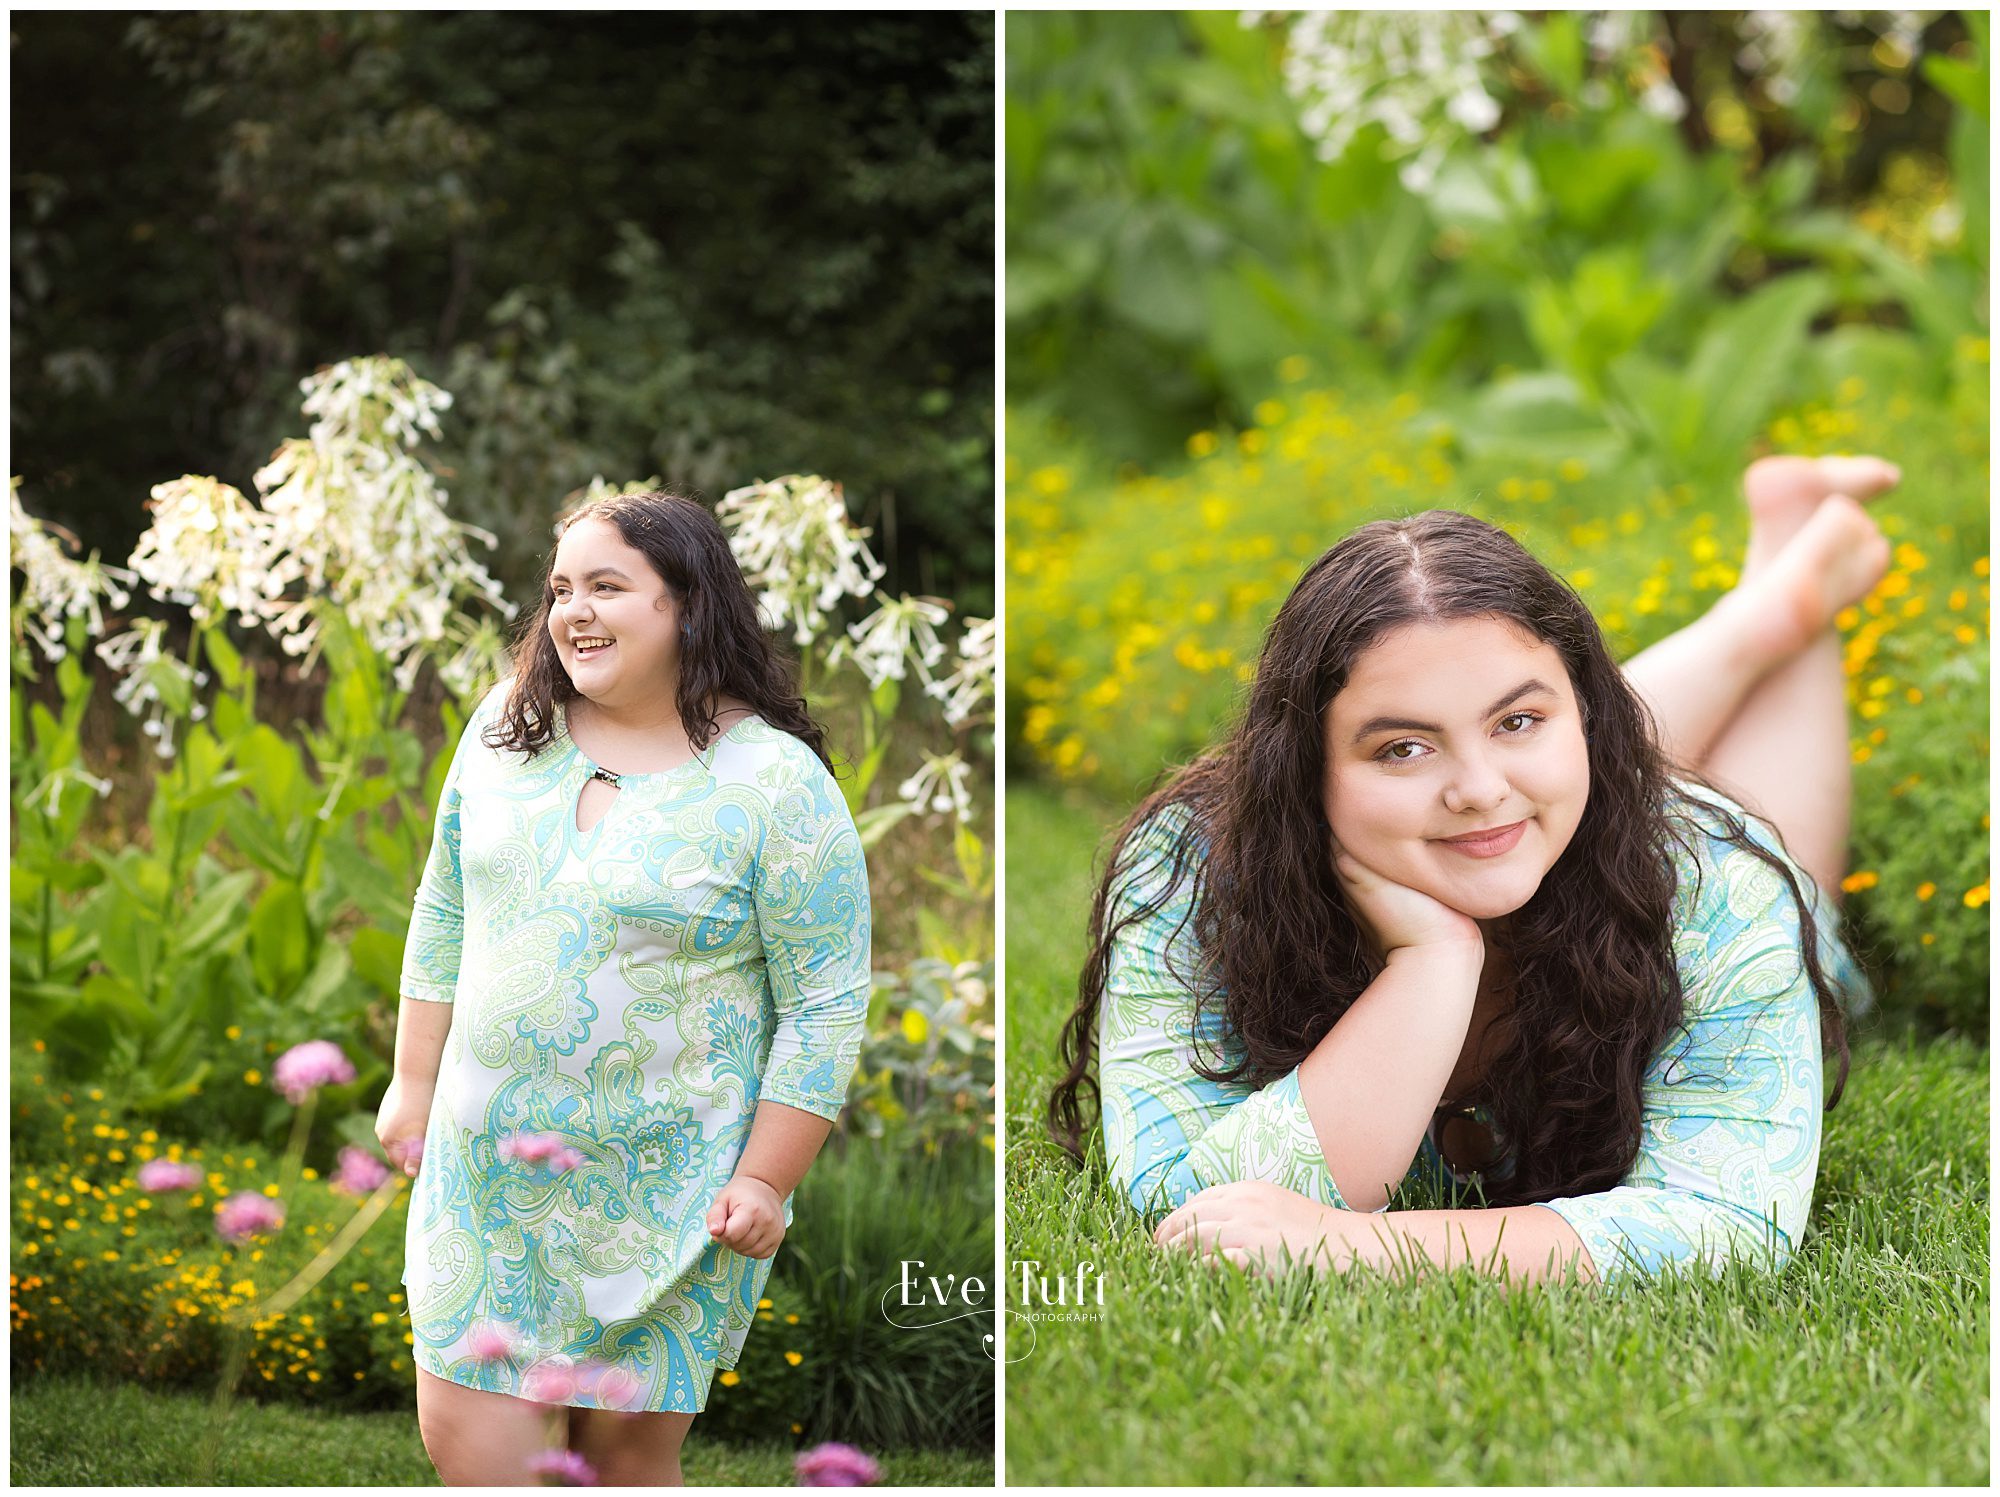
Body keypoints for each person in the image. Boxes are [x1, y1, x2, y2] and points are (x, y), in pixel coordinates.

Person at [1047, 455, 1901, 1287]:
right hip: (1567, 802)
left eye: (1521, 720)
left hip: (1668, 840)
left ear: (1590, 718)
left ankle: (1784, 606)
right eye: (1402, 746)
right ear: (1304, 769)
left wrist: (1353, 1248)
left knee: (1791, 887)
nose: (1478, 788)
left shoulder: (1718, 882)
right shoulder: (1195, 864)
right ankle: (1775, 590)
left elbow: (1728, 1222)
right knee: (1510, 798)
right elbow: (1183, 1201)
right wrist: (1430, 966)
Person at [376, 489, 871, 1483]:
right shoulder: (505, 733)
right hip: (484, 1181)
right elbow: (442, 912)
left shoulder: (773, 785)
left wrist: (765, 1179)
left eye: (608, 586)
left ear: (689, 605)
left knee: (621, 1475)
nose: (573, 612)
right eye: (561, 589)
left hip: (663, 1206)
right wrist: (412, 1084)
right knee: (480, 1461)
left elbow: (824, 999)